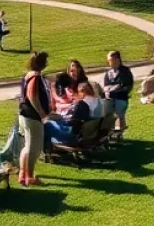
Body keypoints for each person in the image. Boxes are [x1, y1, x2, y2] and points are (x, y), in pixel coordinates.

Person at [18, 51, 50, 187]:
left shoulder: (29, 75)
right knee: (34, 148)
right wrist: (42, 113)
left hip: (25, 115)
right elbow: (32, 96)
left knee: (27, 146)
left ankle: (22, 173)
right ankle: (30, 176)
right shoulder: (35, 77)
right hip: (32, 116)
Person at [45, 82, 97, 148]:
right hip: (82, 133)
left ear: (81, 92)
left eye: (74, 93)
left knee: (48, 124)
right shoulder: (93, 102)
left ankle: (48, 150)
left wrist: (61, 118)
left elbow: (74, 122)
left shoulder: (81, 104)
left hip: (73, 136)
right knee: (53, 120)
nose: (72, 96)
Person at [102, 51, 134, 135]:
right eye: (108, 60)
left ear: (117, 60)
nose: (109, 62)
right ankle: (110, 133)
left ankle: (119, 134)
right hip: (109, 98)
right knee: (107, 115)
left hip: (121, 98)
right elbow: (105, 86)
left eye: (110, 60)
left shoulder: (125, 71)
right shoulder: (108, 73)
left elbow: (128, 86)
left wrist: (117, 90)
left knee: (119, 115)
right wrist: (109, 90)